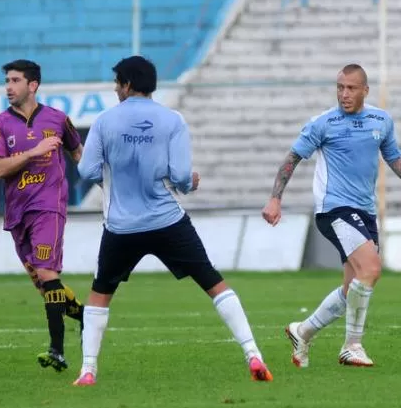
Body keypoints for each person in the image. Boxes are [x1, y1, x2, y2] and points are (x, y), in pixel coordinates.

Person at [73, 55, 273, 386]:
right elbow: (181, 176)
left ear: (126, 85)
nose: (115, 90)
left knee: (100, 293)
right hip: (167, 220)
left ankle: (88, 370)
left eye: (116, 84)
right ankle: (253, 354)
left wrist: (113, 177)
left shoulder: (105, 121)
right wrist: (187, 183)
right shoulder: (172, 119)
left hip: (122, 226)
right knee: (214, 283)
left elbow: (86, 170)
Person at [262, 63, 401, 368]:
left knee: (351, 287)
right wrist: (275, 199)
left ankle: (304, 330)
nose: (344, 94)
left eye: (351, 88)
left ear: (365, 90)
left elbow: (392, 153)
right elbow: (292, 159)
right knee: (372, 268)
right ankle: (352, 345)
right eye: (340, 87)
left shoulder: (381, 120)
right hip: (335, 209)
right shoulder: (322, 123)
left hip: (364, 211)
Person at [0, 59, 85, 372]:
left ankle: (57, 350)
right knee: (46, 288)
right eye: (6, 81)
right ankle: (86, 316)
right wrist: (33, 151)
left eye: (14, 81)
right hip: (17, 214)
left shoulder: (58, 119)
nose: (8, 87)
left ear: (33, 85)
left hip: (50, 206)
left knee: (47, 274)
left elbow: (80, 154)